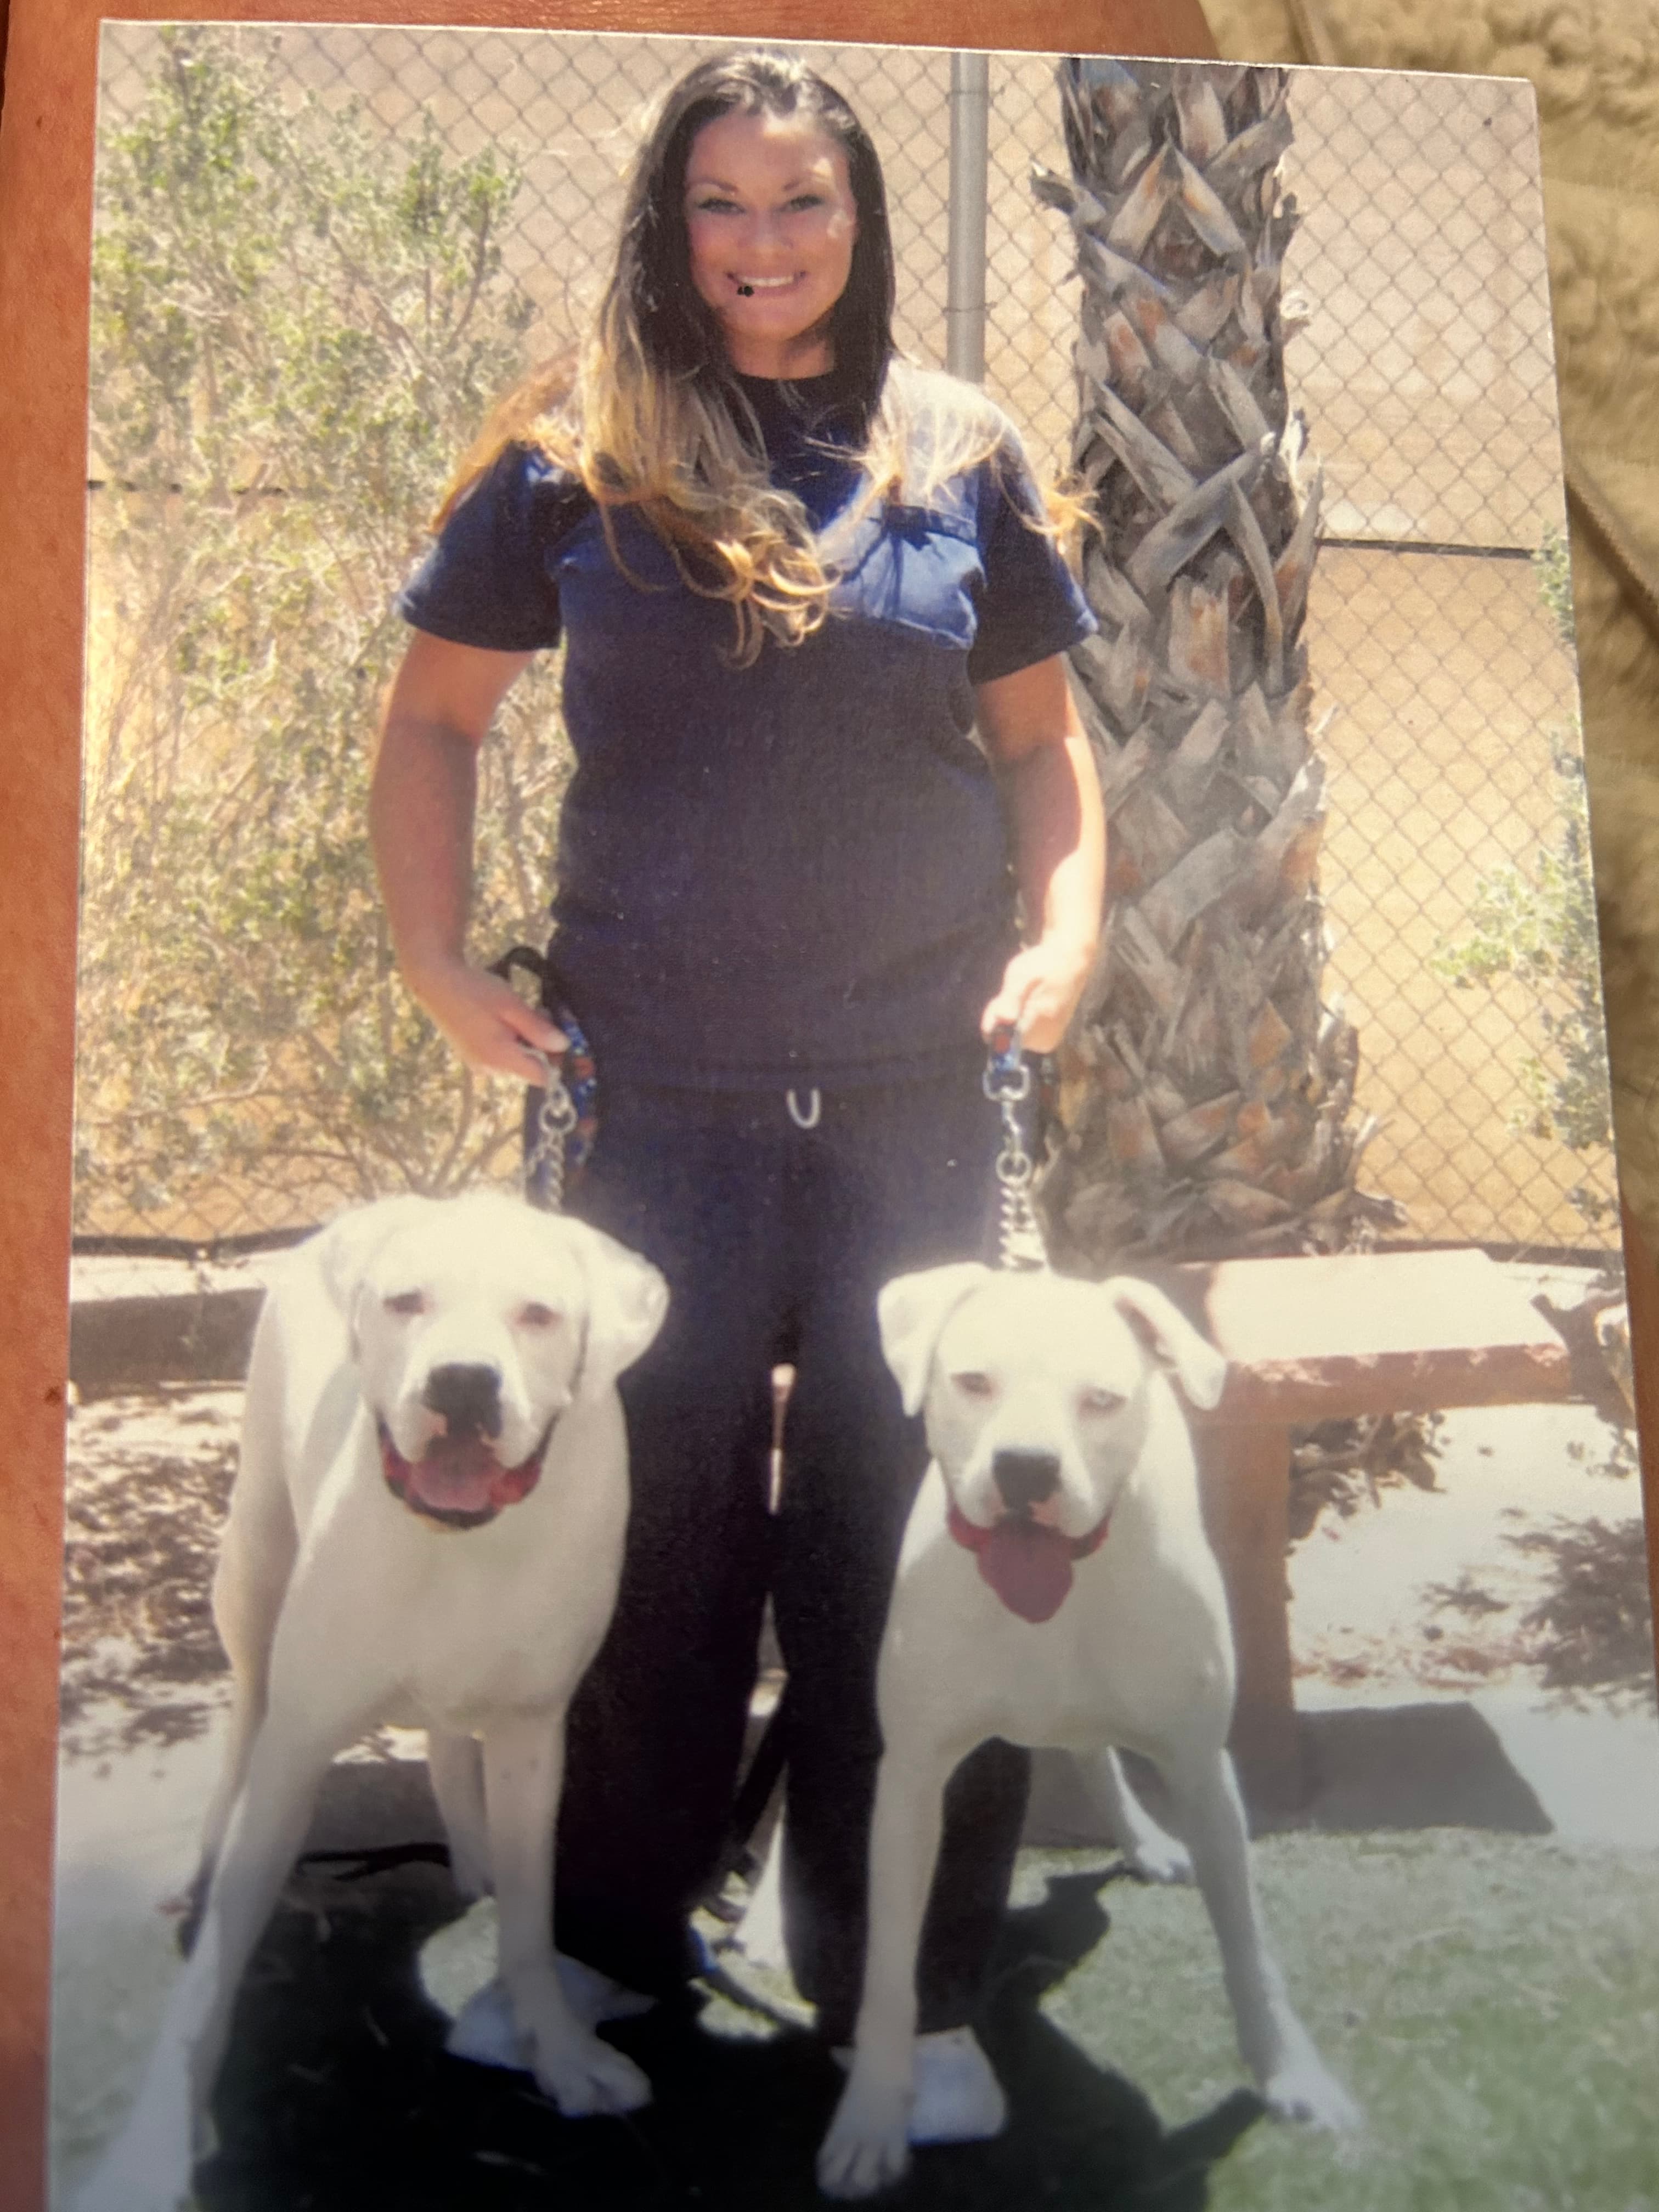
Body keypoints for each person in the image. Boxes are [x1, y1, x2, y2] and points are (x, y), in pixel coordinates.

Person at [370, 47, 1104, 2140]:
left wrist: (1065, 939)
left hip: (911, 1108)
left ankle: (904, 1980)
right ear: (663, 221)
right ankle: (605, 1935)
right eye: (722, 205)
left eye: (807, 205)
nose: (764, 248)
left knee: (910, 1544)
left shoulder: (959, 451)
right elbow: (433, 723)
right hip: (652, 1112)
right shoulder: (570, 453)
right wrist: (438, 963)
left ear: (862, 223)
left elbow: (1047, 753)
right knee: (648, 1540)